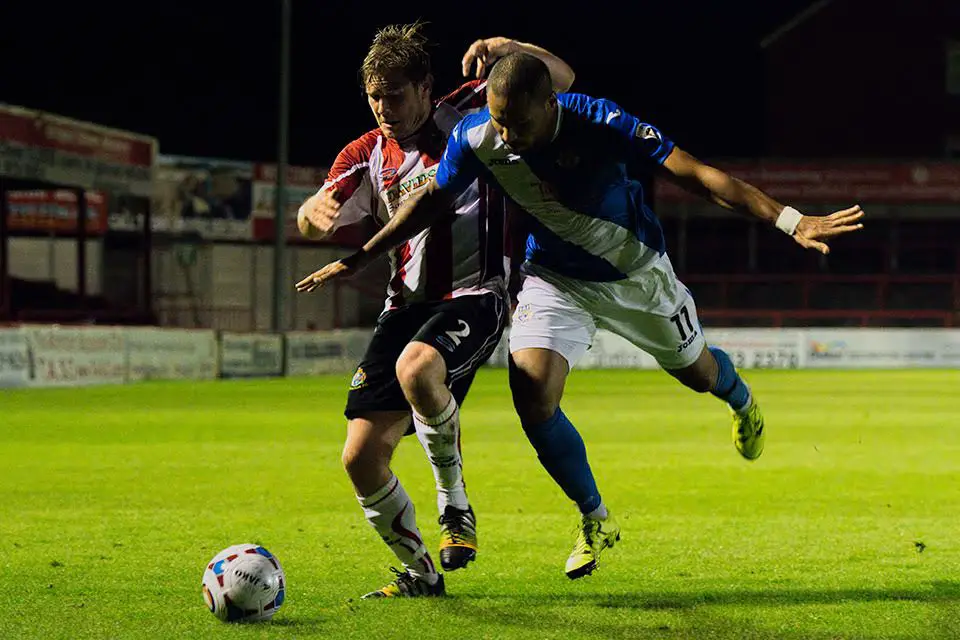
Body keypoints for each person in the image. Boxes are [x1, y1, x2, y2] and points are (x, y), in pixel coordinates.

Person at [298, 52, 864, 581]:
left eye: (518, 124)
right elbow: (429, 200)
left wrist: (789, 220)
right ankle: (595, 516)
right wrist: (360, 257)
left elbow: (695, 174)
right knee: (533, 391)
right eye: (498, 123)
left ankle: (739, 398)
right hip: (553, 276)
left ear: (550, 107)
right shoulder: (479, 135)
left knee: (697, 374)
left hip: (636, 275)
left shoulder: (600, 121)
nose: (508, 139)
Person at [295, 27, 575, 598]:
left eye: (395, 95)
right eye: (374, 96)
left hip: (477, 293)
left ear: (426, 87)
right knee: (360, 457)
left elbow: (563, 80)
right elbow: (312, 215)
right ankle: (421, 574)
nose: (383, 109)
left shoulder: (474, 108)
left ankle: (455, 506)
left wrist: (514, 50)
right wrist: (309, 214)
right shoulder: (364, 153)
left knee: (417, 368)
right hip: (405, 304)